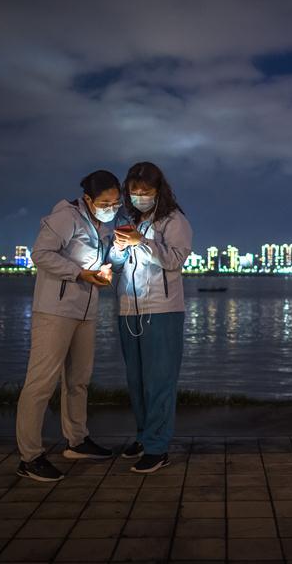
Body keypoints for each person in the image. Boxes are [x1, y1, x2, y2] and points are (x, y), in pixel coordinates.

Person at [15, 170, 121, 482]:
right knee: (41, 383)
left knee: (79, 380)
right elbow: (40, 254)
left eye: (115, 202)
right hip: (55, 311)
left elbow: (96, 262)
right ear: (88, 199)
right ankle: (29, 456)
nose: (111, 207)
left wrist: (102, 272)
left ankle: (76, 440)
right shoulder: (65, 217)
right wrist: (78, 274)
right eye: (105, 202)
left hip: (85, 310)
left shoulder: (102, 223)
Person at [109, 161, 192, 474]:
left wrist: (141, 243)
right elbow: (117, 264)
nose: (139, 196)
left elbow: (175, 259)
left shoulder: (174, 220)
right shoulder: (131, 219)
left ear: (159, 191)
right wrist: (119, 248)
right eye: (134, 191)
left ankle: (158, 447)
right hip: (129, 307)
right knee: (137, 380)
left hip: (162, 309)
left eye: (145, 191)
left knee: (159, 380)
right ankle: (144, 436)